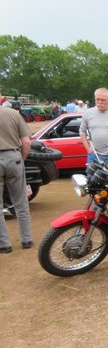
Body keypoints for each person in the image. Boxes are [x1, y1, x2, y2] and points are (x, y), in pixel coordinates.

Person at [0, 103, 33, 253]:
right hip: (13, 157)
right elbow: (26, 142)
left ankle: (4, 245)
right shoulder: (13, 113)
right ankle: (26, 240)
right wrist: (21, 159)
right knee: (21, 202)